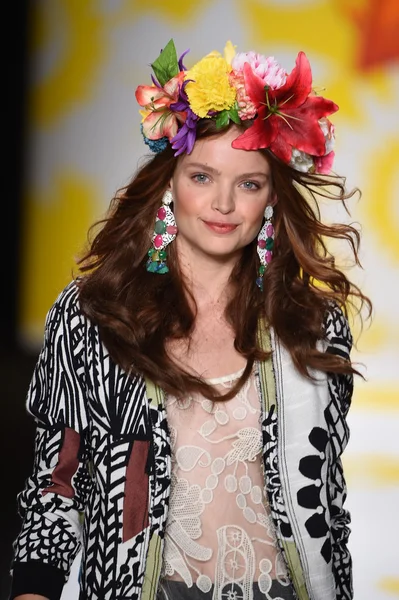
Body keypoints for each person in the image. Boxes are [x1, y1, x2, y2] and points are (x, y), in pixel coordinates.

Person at [9, 39, 371, 600]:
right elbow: (55, 490)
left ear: (271, 199)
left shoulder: (312, 326)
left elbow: (326, 503)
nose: (223, 203)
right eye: (202, 176)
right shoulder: (95, 318)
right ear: (170, 186)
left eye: (248, 183)